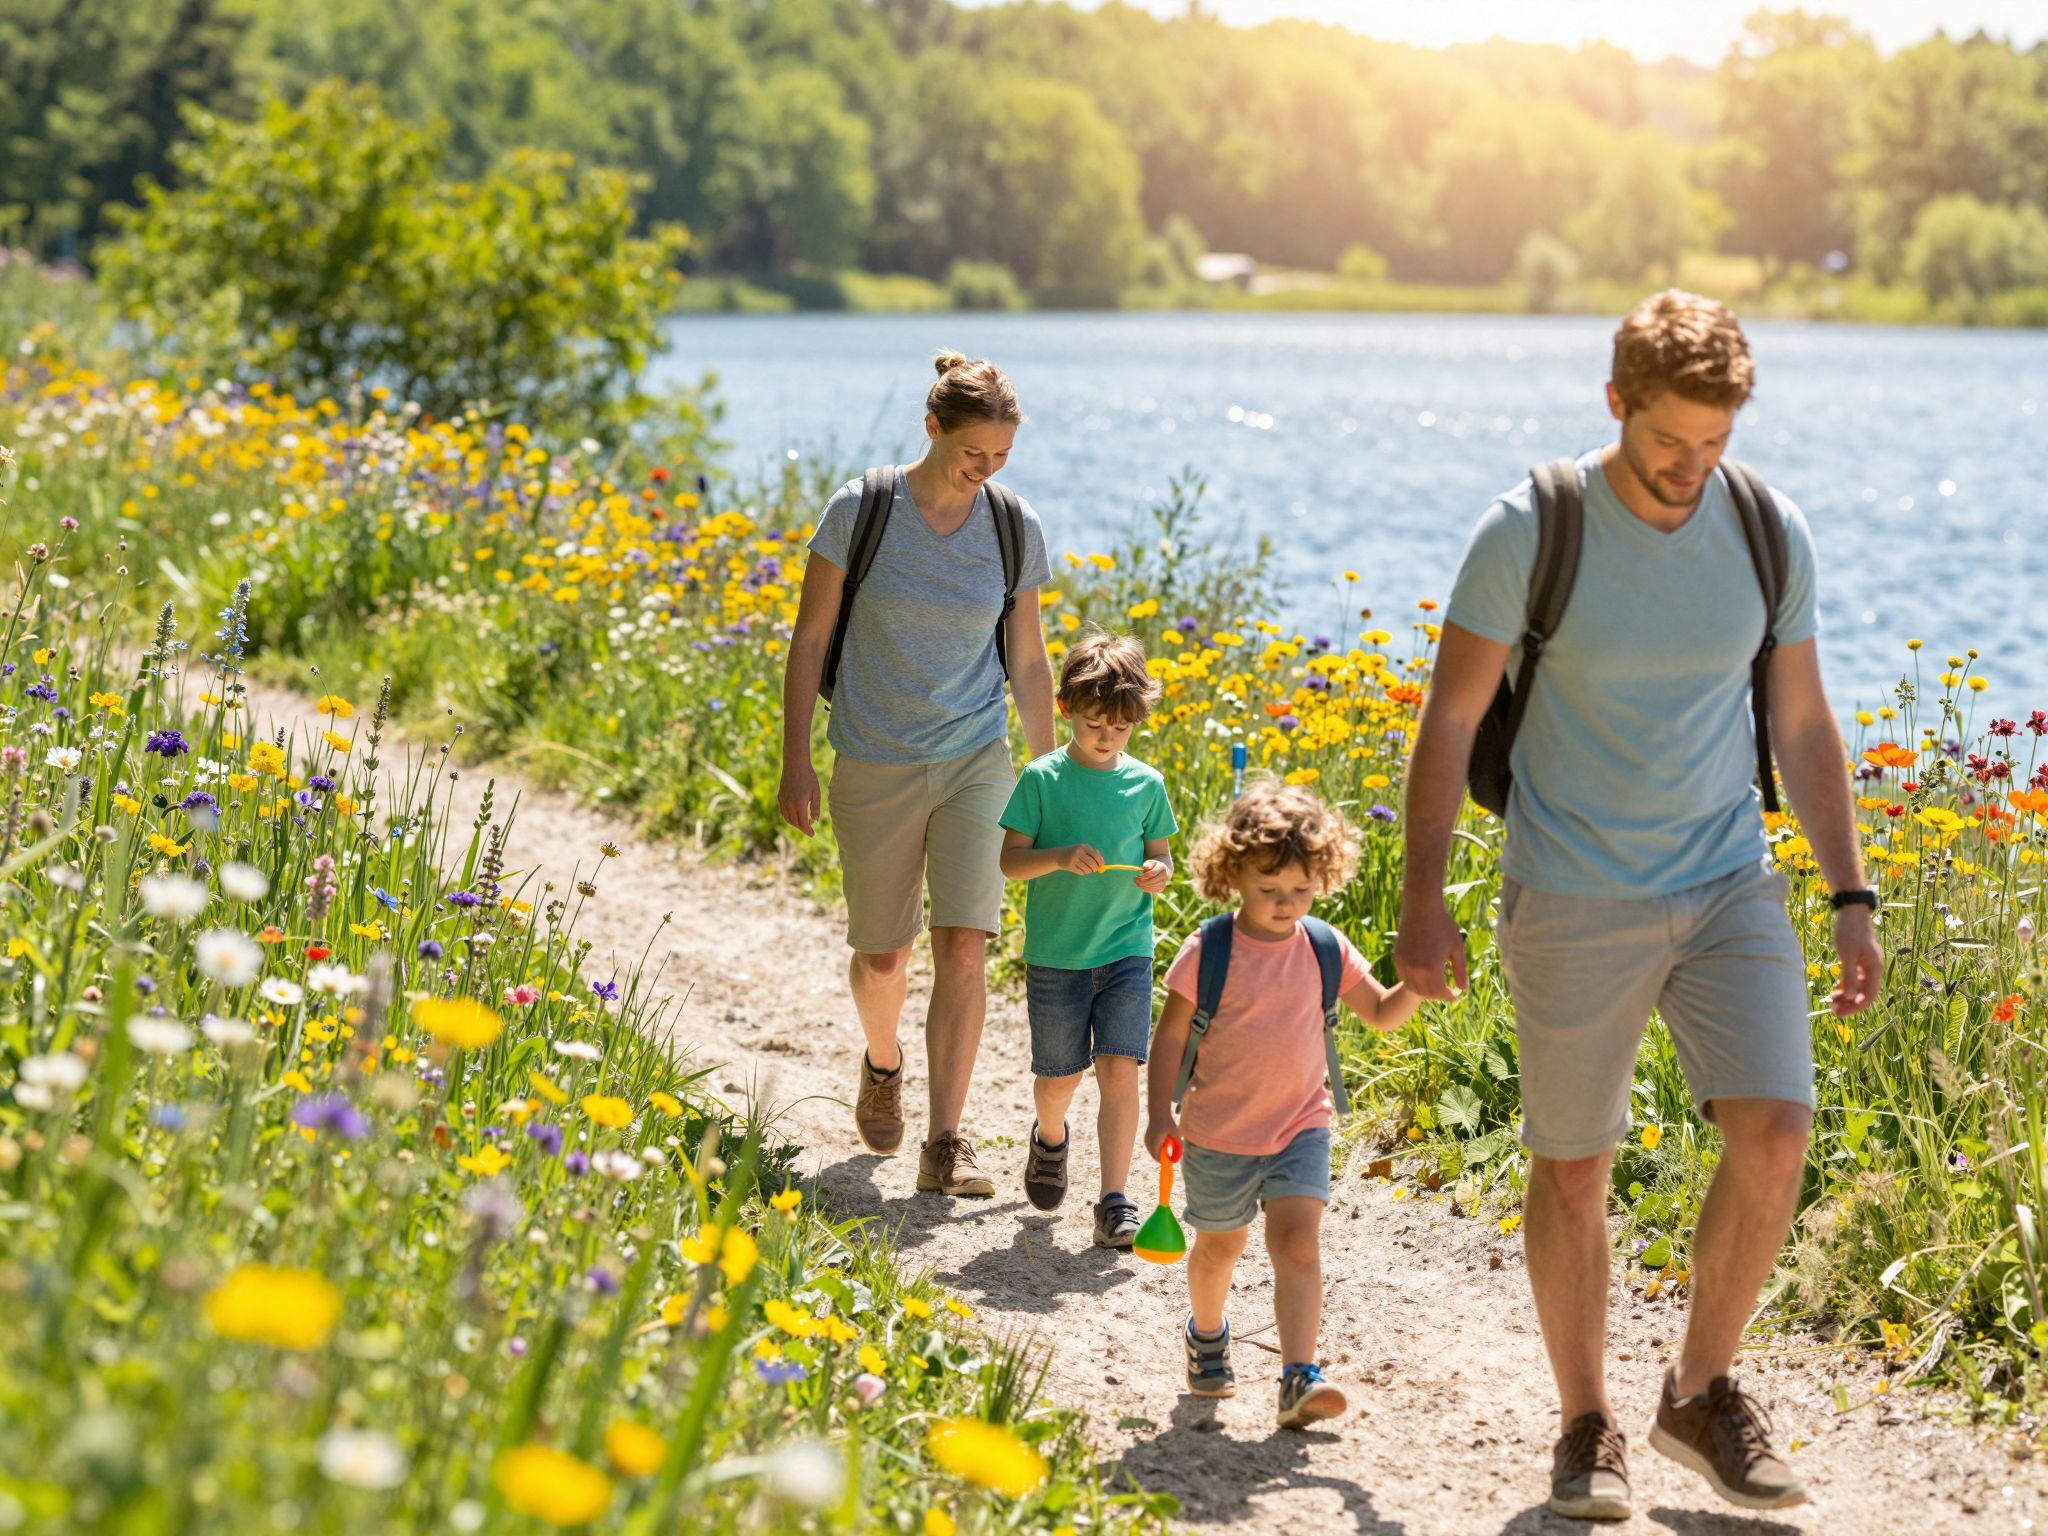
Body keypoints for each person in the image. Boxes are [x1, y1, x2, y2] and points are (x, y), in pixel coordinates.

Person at [1395, 291, 1883, 1519]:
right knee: (1572, 1168)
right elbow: (1448, 718)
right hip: (1570, 890)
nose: (1690, 468)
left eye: (1712, 444)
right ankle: (1583, 1423)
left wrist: (1849, 895)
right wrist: (1418, 895)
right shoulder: (1531, 529)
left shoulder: (1766, 529)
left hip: (1724, 881)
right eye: (1670, 440)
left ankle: (1697, 1392)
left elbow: (1803, 722)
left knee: (1773, 1134)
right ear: (1615, 402)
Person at [779, 351, 1055, 1199]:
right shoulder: (861, 510)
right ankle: (883, 1060)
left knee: (965, 945)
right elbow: (811, 639)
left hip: (977, 757)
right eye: (975, 453)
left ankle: (946, 1142)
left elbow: (1030, 658)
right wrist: (796, 756)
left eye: (1001, 458)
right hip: (875, 756)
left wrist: (1051, 775)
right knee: (884, 957)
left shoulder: (1012, 525)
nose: (986, 471)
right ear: (932, 427)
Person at [1145, 780, 1418, 1429]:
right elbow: (1169, 1040)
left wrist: (1422, 987)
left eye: (1300, 891)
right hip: (1218, 1132)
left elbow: (1380, 1012)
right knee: (1220, 1247)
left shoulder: (1323, 945)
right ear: (1233, 872)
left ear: (1321, 878)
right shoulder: (1208, 950)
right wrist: (1160, 1115)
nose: (1285, 904)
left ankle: (1299, 1374)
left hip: (1302, 1124)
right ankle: (1207, 1336)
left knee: (1297, 1243)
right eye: (1270, 890)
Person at [998, 632, 1176, 1248]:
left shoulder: (1147, 785)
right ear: (1068, 710)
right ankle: (1050, 1138)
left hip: (1127, 948)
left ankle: (1115, 1199)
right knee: (1058, 1079)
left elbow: (1161, 857)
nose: (1107, 737)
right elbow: (1010, 863)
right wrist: (1057, 856)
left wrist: (1159, 874)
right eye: (1096, 723)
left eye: (1121, 728)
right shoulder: (1042, 778)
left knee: (1119, 1069)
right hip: (1058, 955)